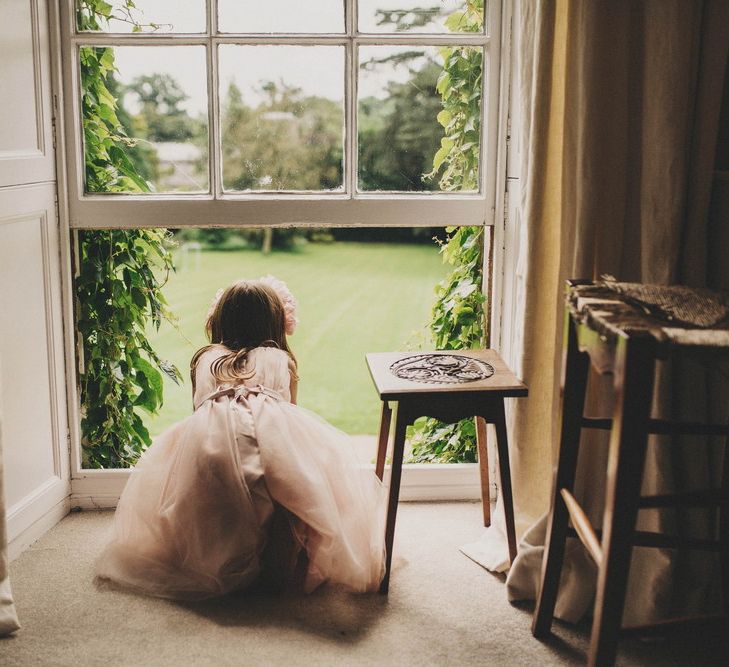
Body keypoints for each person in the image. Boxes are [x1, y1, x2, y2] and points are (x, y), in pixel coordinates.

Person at [95, 277, 386, 600]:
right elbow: (290, 411)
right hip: (269, 444)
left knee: (189, 487)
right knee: (304, 478)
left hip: (210, 444)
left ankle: (215, 547)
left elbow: (198, 409)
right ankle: (278, 557)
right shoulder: (282, 361)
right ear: (275, 324)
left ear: (220, 320)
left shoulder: (205, 359)